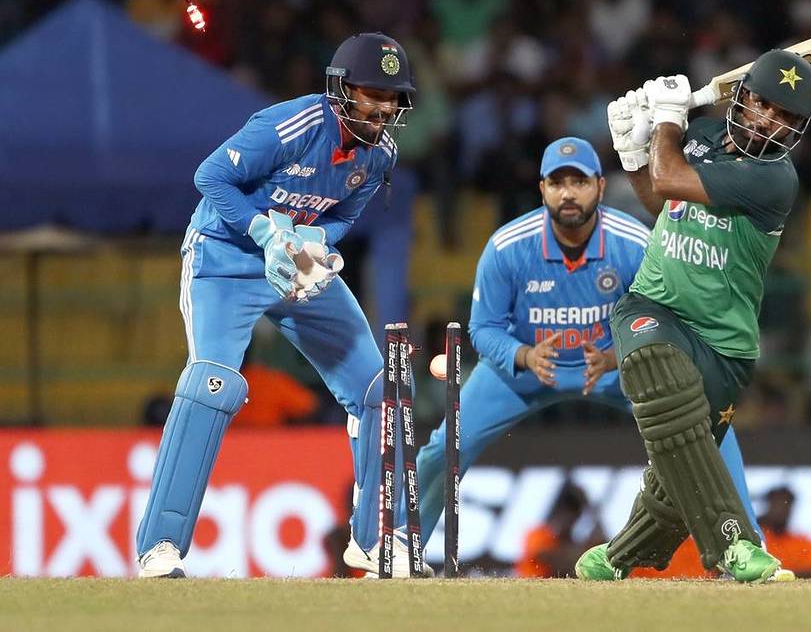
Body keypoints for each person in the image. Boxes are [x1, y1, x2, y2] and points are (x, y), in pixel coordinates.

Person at [370, 137, 763, 571]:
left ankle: (745, 545)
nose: (568, 193)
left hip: (616, 368)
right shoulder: (508, 247)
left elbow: (666, 316)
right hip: (523, 371)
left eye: (579, 181)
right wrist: (523, 356)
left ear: (599, 185)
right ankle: (404, 548)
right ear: (541, 189)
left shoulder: (633, 242)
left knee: (707, 427)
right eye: (557, 183)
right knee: (442, 447)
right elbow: (483, 329)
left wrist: (616, 356)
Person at [135, 32, 416, 578]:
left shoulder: (381, 153)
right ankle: (160, 545)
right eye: (371, 92)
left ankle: (375, 539)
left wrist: (315, 245)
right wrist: (266, 232)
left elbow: (344, 213)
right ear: (341, 90)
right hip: (224, 257)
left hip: (295, 262)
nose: (383, 107)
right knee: (211, 384)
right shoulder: (294, 124)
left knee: (380, 390)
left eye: (393, 96)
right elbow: (210, 176)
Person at [576, 49, 811, 584]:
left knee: (674, 467)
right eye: (767, 107)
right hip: (654, 304)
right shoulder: (703, 136)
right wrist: (633, 151)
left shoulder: (774, 178)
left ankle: (614, 559)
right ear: (744, 98)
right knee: (658, 371)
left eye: (788, 119)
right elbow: (666, 208)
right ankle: (737, 545)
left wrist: (663, 118)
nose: (773, 123)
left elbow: (669, 182)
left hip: (725, 344)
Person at [758, 486, 811, 578]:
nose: (780, 510)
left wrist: (781, 576)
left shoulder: (803, 542)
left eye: (785, 505)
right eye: (776, 504)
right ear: (768, 506)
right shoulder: (757, 539)